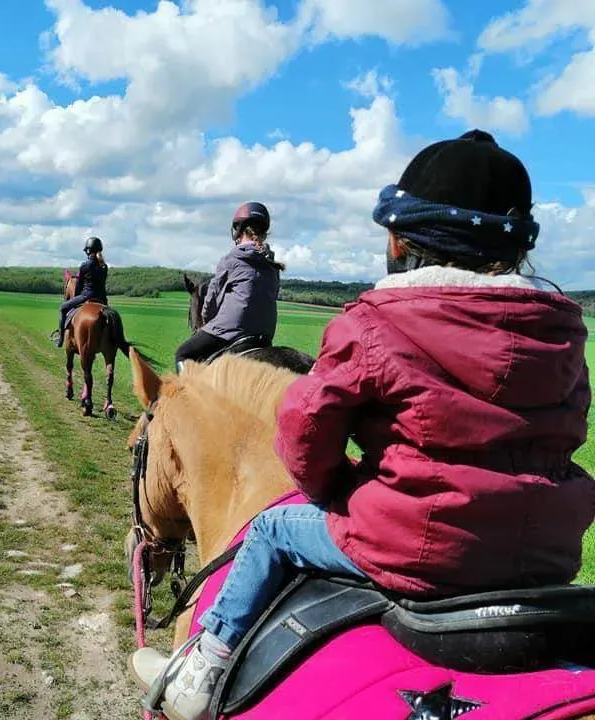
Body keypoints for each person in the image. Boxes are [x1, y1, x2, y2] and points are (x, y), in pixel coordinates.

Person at [130, 129, 595, 720]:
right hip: (546, 555)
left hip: (410, 549)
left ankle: (203, 667)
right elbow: (567, 431)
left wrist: (333, 490)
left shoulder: (375, 321)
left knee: (273, 530)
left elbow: (304, 431)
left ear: (400, 242)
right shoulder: (562, 331)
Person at [175, 202, 283, 372]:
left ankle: (187, 398)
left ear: (237, 231)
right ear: (264, 233)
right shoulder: (273, 266)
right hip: (264, 335)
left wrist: (207, 322)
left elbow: (211, 299)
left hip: (230, 331)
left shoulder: (231, 260)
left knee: (182, 353)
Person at [54, 236, 109, 347]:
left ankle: (60, 338)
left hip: (86, 296)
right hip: (103, 299)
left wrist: (77, 296)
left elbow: (79, 286)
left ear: (88, 251)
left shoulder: (85, 265)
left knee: (63, 308)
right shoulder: (104, 266)